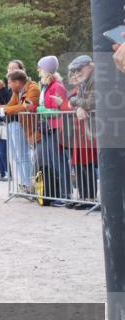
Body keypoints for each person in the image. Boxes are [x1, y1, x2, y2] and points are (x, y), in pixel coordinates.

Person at [35, 56, 72, 205]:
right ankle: (58, 192)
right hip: (49, 128)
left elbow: (60, 110)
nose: (38, 70)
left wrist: (41, 110)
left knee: (59, 161)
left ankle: (65, 194)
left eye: (40, 67)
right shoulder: (46, 86)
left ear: (46, 70)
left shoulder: (57, 86)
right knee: (52, 161)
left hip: (57, 127)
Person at [1, 69, 41, 194]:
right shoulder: (17, 91)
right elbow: (10, 105)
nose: (8, 86)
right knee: (18, 157)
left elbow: (23, 107)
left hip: (32, 128)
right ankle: (25, 184)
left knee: (24, 157)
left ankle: (30, 185)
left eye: (9, 83)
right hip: (23, 126)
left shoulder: (33, 89)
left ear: (17, 82)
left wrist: (3, 110)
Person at [68, 55, 98, 207]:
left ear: (89, 66)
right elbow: (75, 101)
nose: (76, 73)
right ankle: (83, 197)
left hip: (95, 128)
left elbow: (92, 102)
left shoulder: (96, 79)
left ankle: (91, 198)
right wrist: (78, 105)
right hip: (83, 128)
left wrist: (77, 104)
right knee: (79, 163)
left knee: (89, 163)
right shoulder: (84, 82)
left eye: (79, 69)